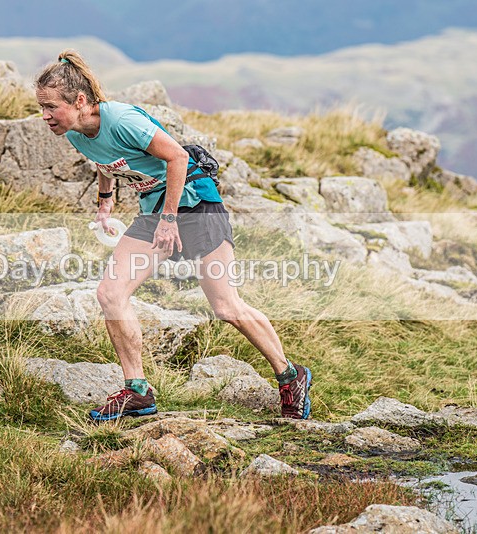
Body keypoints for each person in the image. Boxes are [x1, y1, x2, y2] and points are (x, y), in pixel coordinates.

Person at [35, 50, 312, 422]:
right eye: (41, 107)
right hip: (155, 210)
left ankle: (290, 375)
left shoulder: (123, 119)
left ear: (80, 101)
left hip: (196, 204)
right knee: (110, 294)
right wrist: (105, 201)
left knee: (226, 307)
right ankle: (137, 391)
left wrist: (170, 219)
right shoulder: (75, 132)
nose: (45, 115)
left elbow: (178, 157)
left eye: (51, 106)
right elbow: (105, 161)